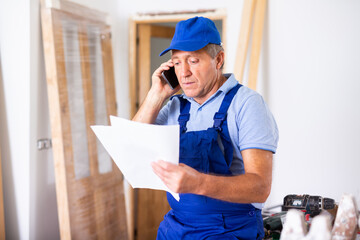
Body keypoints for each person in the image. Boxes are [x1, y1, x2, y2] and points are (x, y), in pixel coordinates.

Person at [133, 16, 279, 240]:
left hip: (230, 230)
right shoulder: (175, 107)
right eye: (177, 62)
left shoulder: (246, 104)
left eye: (193, 60)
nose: (183, 73)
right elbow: (134, 146)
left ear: (218, 59)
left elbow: (260, 187)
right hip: (177, 227)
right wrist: (156, 96)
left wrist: (198, 183)